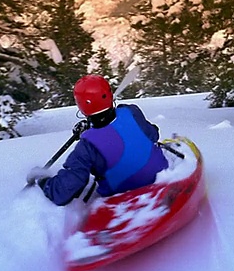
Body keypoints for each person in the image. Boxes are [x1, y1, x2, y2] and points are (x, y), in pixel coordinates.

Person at [26, 74, 169, 206]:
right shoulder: (132, 112)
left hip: (121, 194)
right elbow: (153, 135)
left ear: (81, 106)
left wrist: (43, 180)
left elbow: (62, 192)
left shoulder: (86, 146)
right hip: (160, 175)